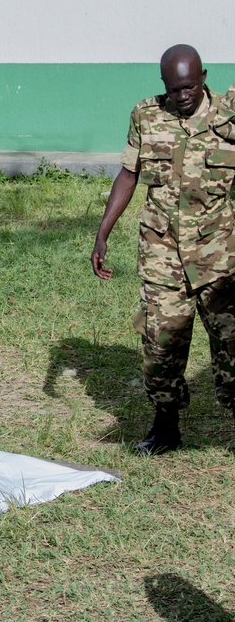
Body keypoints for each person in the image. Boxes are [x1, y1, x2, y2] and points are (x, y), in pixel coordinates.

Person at [91, 44, 235, 455]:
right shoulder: (147, 114)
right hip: (162, 252)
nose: (183, 96)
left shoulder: (228, 115)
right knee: (160, 342)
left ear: (204, 77)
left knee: (231, 343)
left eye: (189, 86)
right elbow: (129, 172)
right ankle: (165, 425)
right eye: (174, 89)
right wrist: (103, 232)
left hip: (218, 253)